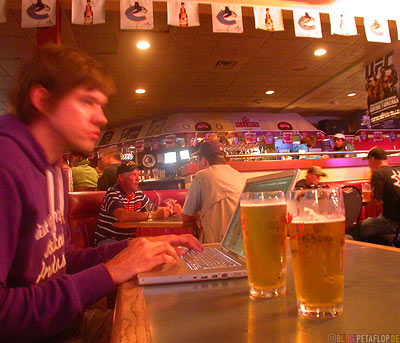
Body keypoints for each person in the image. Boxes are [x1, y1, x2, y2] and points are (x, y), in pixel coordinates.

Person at [0, 44, 202, 342]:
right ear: (42, 100)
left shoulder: (54, 169)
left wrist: (139, 248)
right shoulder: (6, 165)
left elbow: (61, 261)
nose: (102, 117)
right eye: (87, 102)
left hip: (67, 326)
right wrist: (110, 272)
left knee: (182, 323)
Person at [95, 161, 182, 245]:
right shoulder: (113, 193)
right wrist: (152, 215)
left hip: (127, 240)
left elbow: (155, 209)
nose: (138, 179)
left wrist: (171, 210)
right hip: (108, 240)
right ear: (121, 178)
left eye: (138, 175)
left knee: (152, 248)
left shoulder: (138, 194)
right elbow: (122, 215)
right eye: (133, 175)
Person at [182, 140, 247, 243]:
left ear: (203, 160)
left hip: (218, 247)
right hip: (243, 245)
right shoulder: (239, 176)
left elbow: (186, 216)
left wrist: (198, 216)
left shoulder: (201, 176)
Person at [357, 147, 400, 241]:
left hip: (393, 223)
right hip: (396, 217)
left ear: (372, 159)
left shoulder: (378, 174)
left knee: (361, 227)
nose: (368, 165)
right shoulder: (396, 171)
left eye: (368, 161)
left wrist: (365, 199)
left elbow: (376, 202)